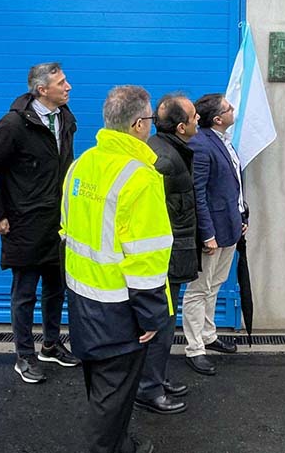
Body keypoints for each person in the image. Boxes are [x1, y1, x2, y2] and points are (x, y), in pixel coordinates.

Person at [62, 85, 172, 453]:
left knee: (102, 386)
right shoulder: (140, 177)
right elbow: (147, 258)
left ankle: (120, 444)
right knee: (112, 397)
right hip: (121, 306)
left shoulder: (81, 164)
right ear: (139, 124)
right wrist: (150, 318)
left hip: (82, 297)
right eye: (152, 120)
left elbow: (65, 229)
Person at [0, 62, 80, 383]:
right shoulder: (13, 125)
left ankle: (50, 344)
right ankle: (24, 355)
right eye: (62, 82)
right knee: (25, 294)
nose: (69, 87)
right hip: (24, 223)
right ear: (41, 90)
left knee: (56, 289)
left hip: (58, 223)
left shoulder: (65, 118)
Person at [134, 94, 201, 415]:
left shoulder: (171, 149)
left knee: (164, 320)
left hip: (173, 251)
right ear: (180, 126)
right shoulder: (163, 159)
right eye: (194, 116)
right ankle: (148, 389)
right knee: (160, 322)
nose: (198, 119)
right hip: (165, 256)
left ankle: (156, 378)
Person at [182, 93, 247, 375]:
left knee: (216, 283)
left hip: (230, 227)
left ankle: (209, 335)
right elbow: (198, 193)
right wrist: (206, 234)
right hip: (213, 233)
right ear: (218, 119)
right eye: (229, 108)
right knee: (199, 289)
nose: (234, 109)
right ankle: (194, 347)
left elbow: (233, 185)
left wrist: (243, 216)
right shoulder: (201, 144)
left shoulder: (224, 142)